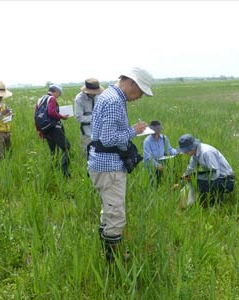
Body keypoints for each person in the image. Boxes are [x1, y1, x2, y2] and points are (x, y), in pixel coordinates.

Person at [87, 67, 153, 263]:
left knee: (108, 210)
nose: (139, 97)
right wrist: (133, 131)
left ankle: (106, 250)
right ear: (132, 83)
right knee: (115, 214)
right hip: (109, 168)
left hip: (101, 164)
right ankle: (113, 262)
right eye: (140, 91)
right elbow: (107, 139)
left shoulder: (107, 95)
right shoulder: (115, 101)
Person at [177, 134, 235, 206]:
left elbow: (215, 174)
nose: (185, 153)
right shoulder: (195, 154)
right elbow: (190, 169)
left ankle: (193, 204)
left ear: (191, 148)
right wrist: (181, 182)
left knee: (195, 182)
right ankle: (192, 203)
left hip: (225, 180)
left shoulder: (206, 152)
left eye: (185, 151)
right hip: (216, 177)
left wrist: (194, 177)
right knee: (193, 180)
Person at [35, 84, 71, 177]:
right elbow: (51, 112)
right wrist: (62, 116)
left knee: (53, 151)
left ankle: (53, 171)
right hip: (54, 128)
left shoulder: (40, 100)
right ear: (56, 91)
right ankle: (65, 173)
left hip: (45, 129)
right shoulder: (52, 99)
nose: (59, 95)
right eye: (59, 93)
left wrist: (39, 130)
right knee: (66, 147)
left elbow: (36, 116)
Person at [74, 78, 104, 154]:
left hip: (100, 129)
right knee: (87, 152)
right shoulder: (79, 99)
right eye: (92, 92)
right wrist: (95, 117)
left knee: (100, 151)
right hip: (87, 131)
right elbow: (78, 117)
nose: (94, 93)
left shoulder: (99, 96)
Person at [143, 120, 177, 185]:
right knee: (152, 184)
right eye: (153, 131)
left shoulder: (164, 138)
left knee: (161, 183)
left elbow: (169, 150)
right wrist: (156, 165)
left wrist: (177, 151)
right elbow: (147, 157)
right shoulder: (147, 141)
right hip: (151, 167)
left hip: (162, 164)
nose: (155, 133)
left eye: (157, 131)